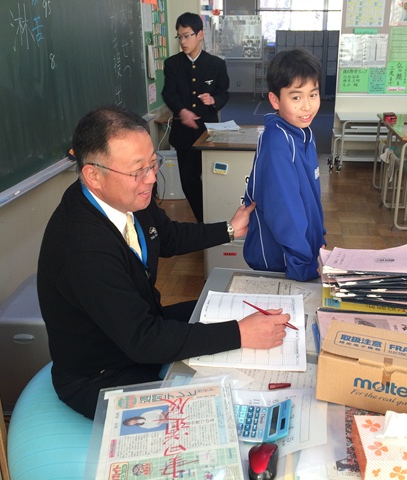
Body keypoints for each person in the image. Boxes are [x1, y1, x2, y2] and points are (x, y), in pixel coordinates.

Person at [37, 105, 290, 419]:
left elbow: (166, 236)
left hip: (138, 332)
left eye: (153, 163)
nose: (151, 178)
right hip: (102, 374)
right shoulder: (82, 248)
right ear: (93, 176)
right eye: (138, 171)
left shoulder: (128, 198)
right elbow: (143, 340)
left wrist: (229, 230)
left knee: (234, 307)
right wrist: (240, 334)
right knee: (213, 412)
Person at [243, 48, 326, 282]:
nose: (307, 106)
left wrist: (318, 240)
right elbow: (284, 212)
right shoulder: (278, 142)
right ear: (275, 100)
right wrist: (302, 264)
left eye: (313, 94)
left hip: (304, 252)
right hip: (283, 261)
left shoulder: (304, 133)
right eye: (296, 97)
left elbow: (309, 198)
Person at [162, 12, 230, 222]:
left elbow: (224, 92)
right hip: (183, 133)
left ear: (200, 35)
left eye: (187, 36)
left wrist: (214, 100)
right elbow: (169, 93)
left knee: (210, 177)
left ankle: (210, 218)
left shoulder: (216, 64)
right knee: (188, 180)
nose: (182, 41)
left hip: (208, 133)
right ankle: (205, 220)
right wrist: (182, 111)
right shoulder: (172, 64)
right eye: (179, 37)